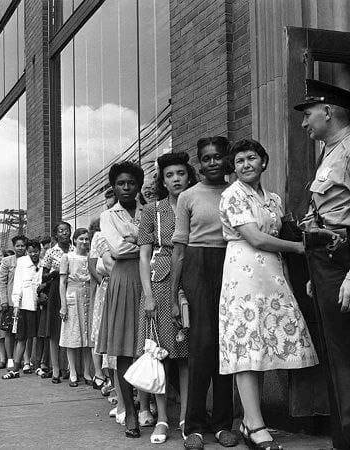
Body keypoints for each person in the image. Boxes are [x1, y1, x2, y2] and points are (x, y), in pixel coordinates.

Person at [295, 79, 350, 450]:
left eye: (308, 114)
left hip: (345, 259)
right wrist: (316, 272)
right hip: (326, 261)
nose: (304, 122)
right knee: (336, 360)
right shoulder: (330, 151)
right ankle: (345, 444)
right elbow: (327, 212)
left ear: (328, 111)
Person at [219, 139, 319, 448]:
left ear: (264, 162)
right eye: (239, 161)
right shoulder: (232, 195)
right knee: (246, 345)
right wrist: (298, 247)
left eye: (251, 158)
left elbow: (276, 235)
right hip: (244, 274)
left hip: (272, 275)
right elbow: (256, 238)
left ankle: (251, 422)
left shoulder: (273, 199)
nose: (246, 164)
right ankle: (255, 424)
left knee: (260, 347)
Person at [170, 136, 238, 449]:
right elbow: (179, 249)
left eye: (217, 157)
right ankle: (194, 426)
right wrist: (174, 295)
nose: (212, 163)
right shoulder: (188, 196)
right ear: (199, 162)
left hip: (231, 264)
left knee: (226, 345)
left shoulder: (237, 192)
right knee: (201, 345)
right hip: (197, 266)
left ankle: (223, 424)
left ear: (227, 159)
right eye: (206, 158)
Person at [138, 151, 197, 444]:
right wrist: (148, 295)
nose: (176, 179)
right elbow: (144, 255)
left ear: (189, 176)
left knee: (186, 354)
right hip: (160, 281)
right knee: (159, 353)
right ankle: (162, 418)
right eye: (169, 175)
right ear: (162, 181)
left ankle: (186, 417)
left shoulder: (197, 203)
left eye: (181, 174)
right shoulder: (153, 210)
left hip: (192, 276)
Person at [96, 161, 146, 438]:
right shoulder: (108, 215)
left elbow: (159, 243)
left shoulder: (149, 210)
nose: (126, 187)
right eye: (120, 183)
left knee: (149, 345)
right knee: (125, 347)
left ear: (139, 186)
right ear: (114, 187)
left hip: (150, 276)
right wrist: (144, 242)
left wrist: (133, 238)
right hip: (124, 278)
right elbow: (117, 249)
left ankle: (148, 407)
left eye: (131, 183)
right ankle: (130, 413)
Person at [39, 222, 74, 383]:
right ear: (56, 235)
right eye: (61, 231)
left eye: (67, 230)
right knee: (54, 330)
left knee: (70, 328)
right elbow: (44, 277)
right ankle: (55, 369)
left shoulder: (75, 250)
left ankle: (69, 368)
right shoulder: (51, 252)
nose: (64, 233)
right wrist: (56, 272)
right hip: (55, 290)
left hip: (72, 289)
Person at [3, 240, 43, 379]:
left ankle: (37, 366)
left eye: (36, 251)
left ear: (40, 251)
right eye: (31, 251)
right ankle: (15, 369)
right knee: (22, 337)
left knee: (39, 336)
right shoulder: (22, 263)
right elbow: (17, 284)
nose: (34, 254)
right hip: (25, 305)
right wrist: (16, 304)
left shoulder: (43, 263)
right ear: (27, 251)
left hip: (40, 305)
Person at [59, 228, 93, 387]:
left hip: (89, 295)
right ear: (74, 240)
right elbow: (62, 283)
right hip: (73, 295)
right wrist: (63, 305)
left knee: (87, 336)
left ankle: (87, 372)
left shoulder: (91, 256)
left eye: (87, 239)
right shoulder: (67, 257)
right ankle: (72, 371)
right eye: (81, 239)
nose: (84, 242)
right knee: (72, 335)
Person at [88, 218, 114, 392]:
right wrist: (104, 284)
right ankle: (101, 374)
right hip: (105, 287)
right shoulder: (98, 237)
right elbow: (92, 266)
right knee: (101, 331)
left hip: (121, 284)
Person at [0, 235, 28, 372]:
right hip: (11, 301)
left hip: (26, 301)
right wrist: (4, 301)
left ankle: (23, 360)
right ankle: (10, 359)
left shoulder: (30, 260)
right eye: (18, 246)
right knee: (9, 331)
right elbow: (2, 282)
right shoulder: (7, 261)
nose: (20, 248)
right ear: (14, 247)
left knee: (23, 332)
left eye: (23, 245)